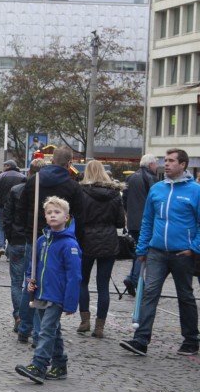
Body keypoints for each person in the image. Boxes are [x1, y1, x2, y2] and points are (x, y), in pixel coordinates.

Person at [120, 149, 200, 357]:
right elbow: (147, 220)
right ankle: (141, 340)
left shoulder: (195, 191)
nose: (167, 164)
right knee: (149, 293)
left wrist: (193, 248)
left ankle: (191, 339)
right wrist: (142, 248)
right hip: (157, 251)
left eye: (172, 161)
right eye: (165, 160)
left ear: (183, 165)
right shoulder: (157, 189)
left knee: (185, 296)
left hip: (182, 253)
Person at [15, 196, 82, 383]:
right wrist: (30, 280)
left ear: (66, 217)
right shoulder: (41, 241)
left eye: (57, 212)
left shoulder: (69, 244)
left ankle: (39, 365)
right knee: (53, 330)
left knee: (45, 330)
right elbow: (34, 265)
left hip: (56, 295)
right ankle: (59, 364)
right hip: (42, 292)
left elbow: (74, 276)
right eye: (49, 212)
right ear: (45, 217)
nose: (53, 215)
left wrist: (70, 303)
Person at [74, 160, 124, 339]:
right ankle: (100, 326)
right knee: (103, 285)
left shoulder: (81, 192)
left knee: (83, 281)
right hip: (109, 240)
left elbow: (77, 219)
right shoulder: (115, 194)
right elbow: (120, 222)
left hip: (86, 240)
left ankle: (84, 321)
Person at [5, 159, 47, 344]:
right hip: (32, 240)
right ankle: (29, 325)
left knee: (18, 283)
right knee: (31, 283)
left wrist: (10, 237)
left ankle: (19, 317)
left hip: (17, 239)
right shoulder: (44, 192)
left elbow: (8, 217)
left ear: (29, 172)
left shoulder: (17, 190)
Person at [13, 145, 84, 252]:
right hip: (62, 238)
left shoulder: (34, 180)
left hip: (34, 235)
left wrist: (26, 231)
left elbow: (21, 209)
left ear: (52, 161)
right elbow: (79, 217)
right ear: (69, 163)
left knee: (33, 263)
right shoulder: (73, 187)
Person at [122, 154, 160, 294]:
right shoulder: (151, 178)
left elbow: (124, 199)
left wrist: (129, 213)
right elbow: (156, 201)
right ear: (150, 165)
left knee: (138, 250)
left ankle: (133, 278)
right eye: (156, 164)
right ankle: (134, 279)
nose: (157, 167)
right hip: (146, 222)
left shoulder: (131, 177)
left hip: (132, 221)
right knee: (143, 252)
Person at [0, 160, 25, 258]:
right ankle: (10, 251)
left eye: (5, 165)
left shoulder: (0, 177)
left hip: (2, 206)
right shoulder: (22, 177)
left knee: (0, 227)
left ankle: (1, 246)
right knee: (14, 227)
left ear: (8, 166)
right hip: (17, 206)